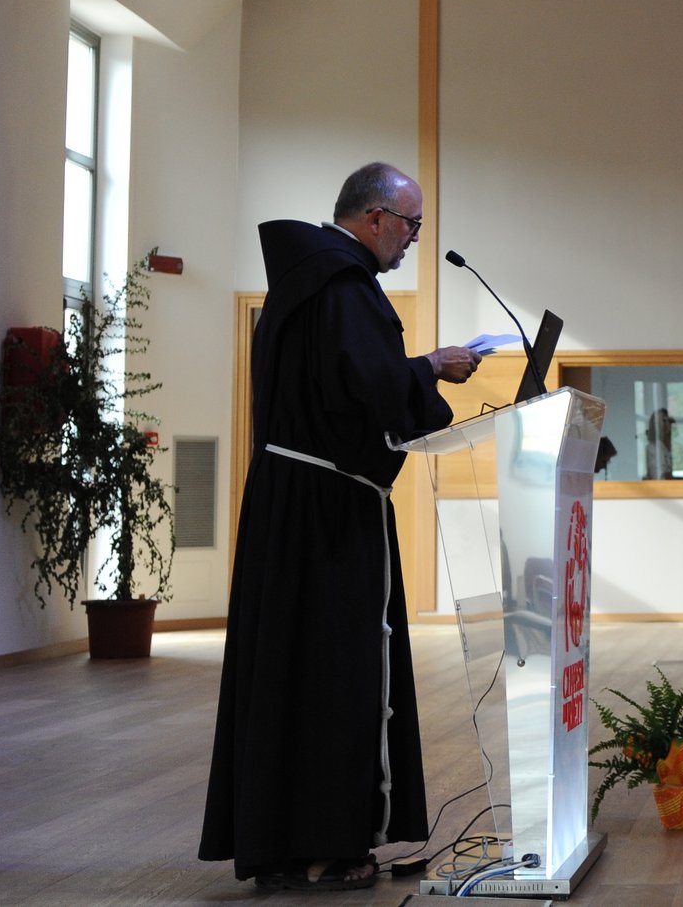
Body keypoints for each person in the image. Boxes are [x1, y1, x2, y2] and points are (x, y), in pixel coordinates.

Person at [200, 162, 481, 890]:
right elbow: (372, 391)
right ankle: (325, 845)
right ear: (375, 217)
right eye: (411, 225)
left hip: (291, 505)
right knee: (335, 676)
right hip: (327, 514)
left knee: (292, 673)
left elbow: (344, 386)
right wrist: (432, 368)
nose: (413, 239)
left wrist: (415, 370)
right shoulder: (344, 286)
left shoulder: (308, 281)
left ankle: (286, 844)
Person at [640, 407, 677, 479]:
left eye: (668, 421)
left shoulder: (668, 447)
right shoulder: (652, 448)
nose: (667, 424)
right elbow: (657, 476)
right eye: (663, 420)